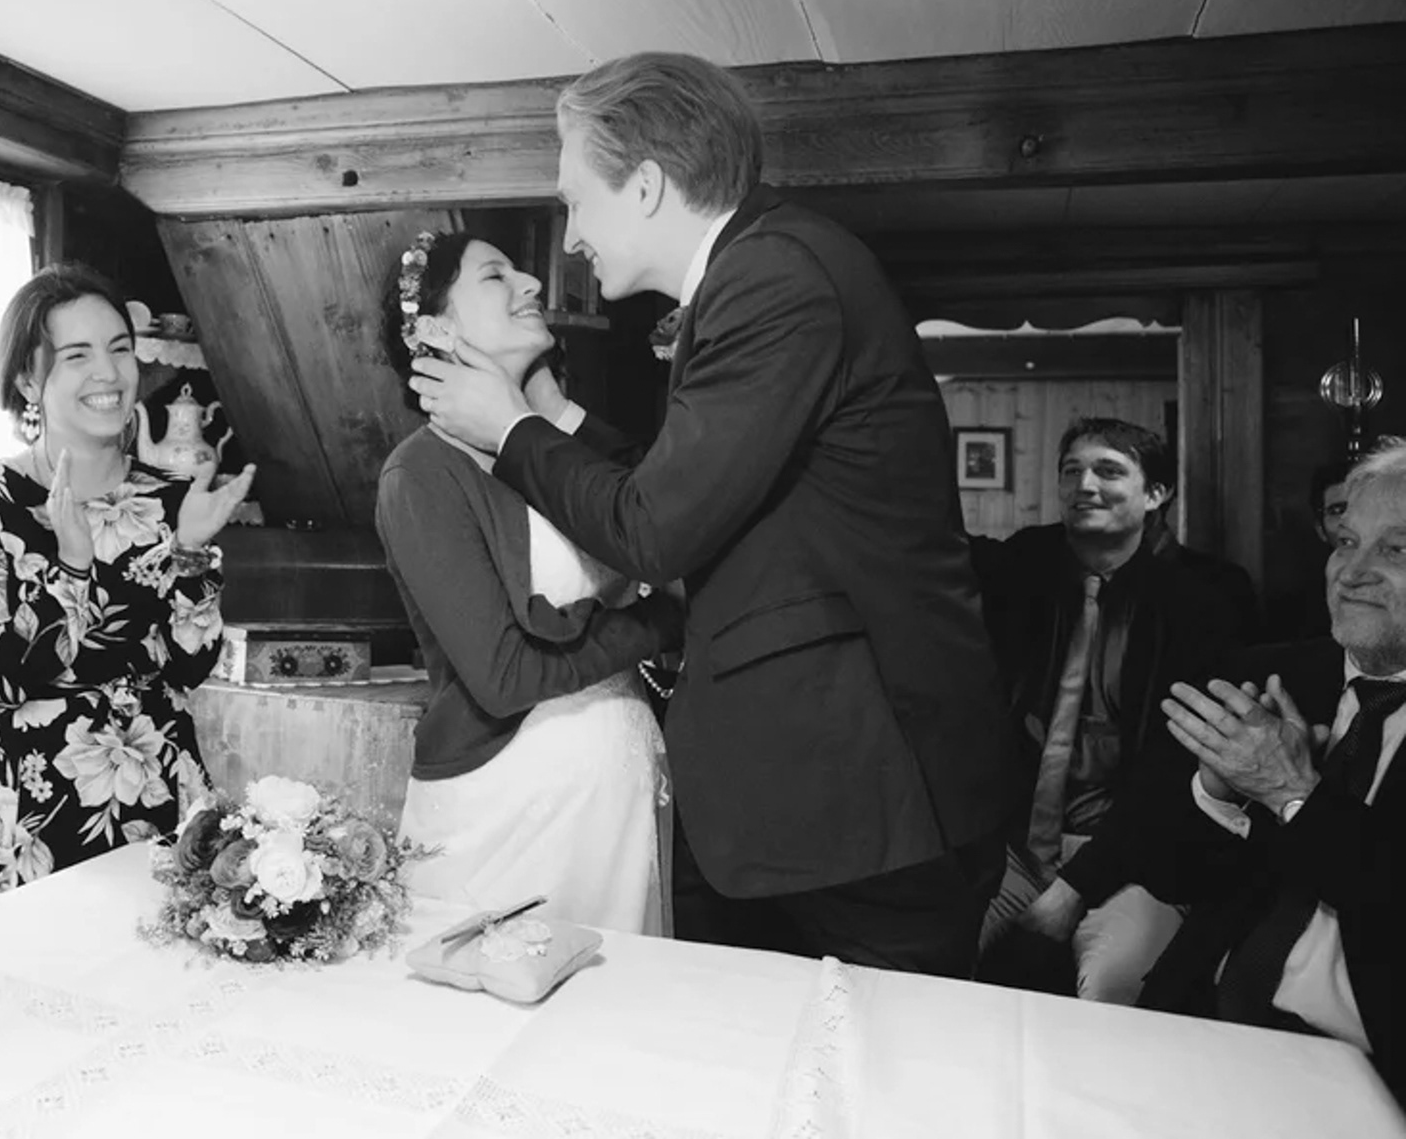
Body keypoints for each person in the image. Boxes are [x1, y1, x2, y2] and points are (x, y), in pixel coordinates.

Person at [411, 51, 1009, 975]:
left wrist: (513, 430)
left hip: (864, 796)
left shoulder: (772, 276)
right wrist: (549, 419)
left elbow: (655, 526)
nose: (570, 240)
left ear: (647, 186)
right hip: (796, 799)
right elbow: (689, 491)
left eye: (577, 202)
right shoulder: (765, 265)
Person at [375, 232, 683, 934]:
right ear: (436, 329)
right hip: (508, 809)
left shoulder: (553, 451)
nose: (532, 283)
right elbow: (504, 676)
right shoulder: (419, 474)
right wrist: (664, 621)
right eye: (495, 276)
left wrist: (548, 406)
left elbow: (656, 514)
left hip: (614, 798)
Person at [0, 264, 254, 898]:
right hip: (32, 813)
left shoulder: (171, 499)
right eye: (77, 355)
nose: (108, 372)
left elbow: (188, 666)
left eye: (119, 349)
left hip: (162, 801)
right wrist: (72, 567)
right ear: (27, 379)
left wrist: (191, 553)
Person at [1137, 438, 1406, 1101]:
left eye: (1396, 550)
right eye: (1346, 542)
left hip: (1369, 1069)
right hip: (1204, 1022)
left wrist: (1291, 790)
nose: (1353, 573)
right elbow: (1170, 875)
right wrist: (1221, 791)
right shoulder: (1268, 676)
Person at [971, 418, 1257, 1002]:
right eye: (1071, 471)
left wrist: (1075, 887)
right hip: (1012, 845)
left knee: (1115, 984)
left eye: (1108, 470)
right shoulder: (1022, 569)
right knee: (932, 961)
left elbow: (1174, 769)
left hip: (1131, 855)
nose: (1085, 485)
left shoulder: (1198, 603)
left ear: (1156, 494)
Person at [1266, 457, 1352, 641]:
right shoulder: (1292, 614)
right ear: (1320, 529)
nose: (1351, 521)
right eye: (1338, 511)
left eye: (1362, 508)